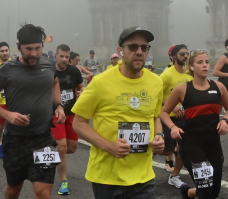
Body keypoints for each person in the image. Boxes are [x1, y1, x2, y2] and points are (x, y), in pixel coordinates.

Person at [72, 26, 164, 199]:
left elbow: (155, 116)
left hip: (144, 177)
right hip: (107, 178)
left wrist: (159, 135)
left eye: (144, 48)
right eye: (133, 47)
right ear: (120, 51)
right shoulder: (100, 82)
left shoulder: (156, 83)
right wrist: (110, 147)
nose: (139, 52)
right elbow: (78, 123)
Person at [0, 23, 65, 199]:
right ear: (18, 47)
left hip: (43, 139)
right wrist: (8, 115)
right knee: (14, 189)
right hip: (16, 140)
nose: (33, 53)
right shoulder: (7, 70)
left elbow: (55, 82)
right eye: (28, 49)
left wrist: (58, 105)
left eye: (37, 48)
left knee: (43, 193)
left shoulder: (49, 65)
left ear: (42, 46)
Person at [160, 50, 228, 199]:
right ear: (191, 67)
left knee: (214, 191)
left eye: (206, 62)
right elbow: (163, 112)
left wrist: (225, 120)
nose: (205, 65)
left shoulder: (218, 87)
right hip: (191, 145)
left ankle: (187, 193)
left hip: (213, 144)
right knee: (206, 191)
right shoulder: (183, 89)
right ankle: (192, 192)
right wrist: (173, 127)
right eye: (200, 62)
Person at [51, 44, 85, 195]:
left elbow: (82, 86)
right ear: (56, 56)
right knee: (62, 147)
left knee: (71, 148)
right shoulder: (49, 71)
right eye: (62, 56)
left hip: (72, 113)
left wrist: (81, 93)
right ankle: (63, 181)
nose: (64, 59)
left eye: (67, 57)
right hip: (55, 114)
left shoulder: (74, 71)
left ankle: (56, 155)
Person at [159, 44, 192, 188]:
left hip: (186, 117)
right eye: (182, 54)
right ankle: (148, 154)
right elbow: (156, 95)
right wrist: (172, 104)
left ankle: (174, 175)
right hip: (169, 117)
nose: (185, 56)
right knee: (165, 149)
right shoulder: (167, 75)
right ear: (173, 57)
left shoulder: (190, 74)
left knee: (185, 146)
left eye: (186, 53)